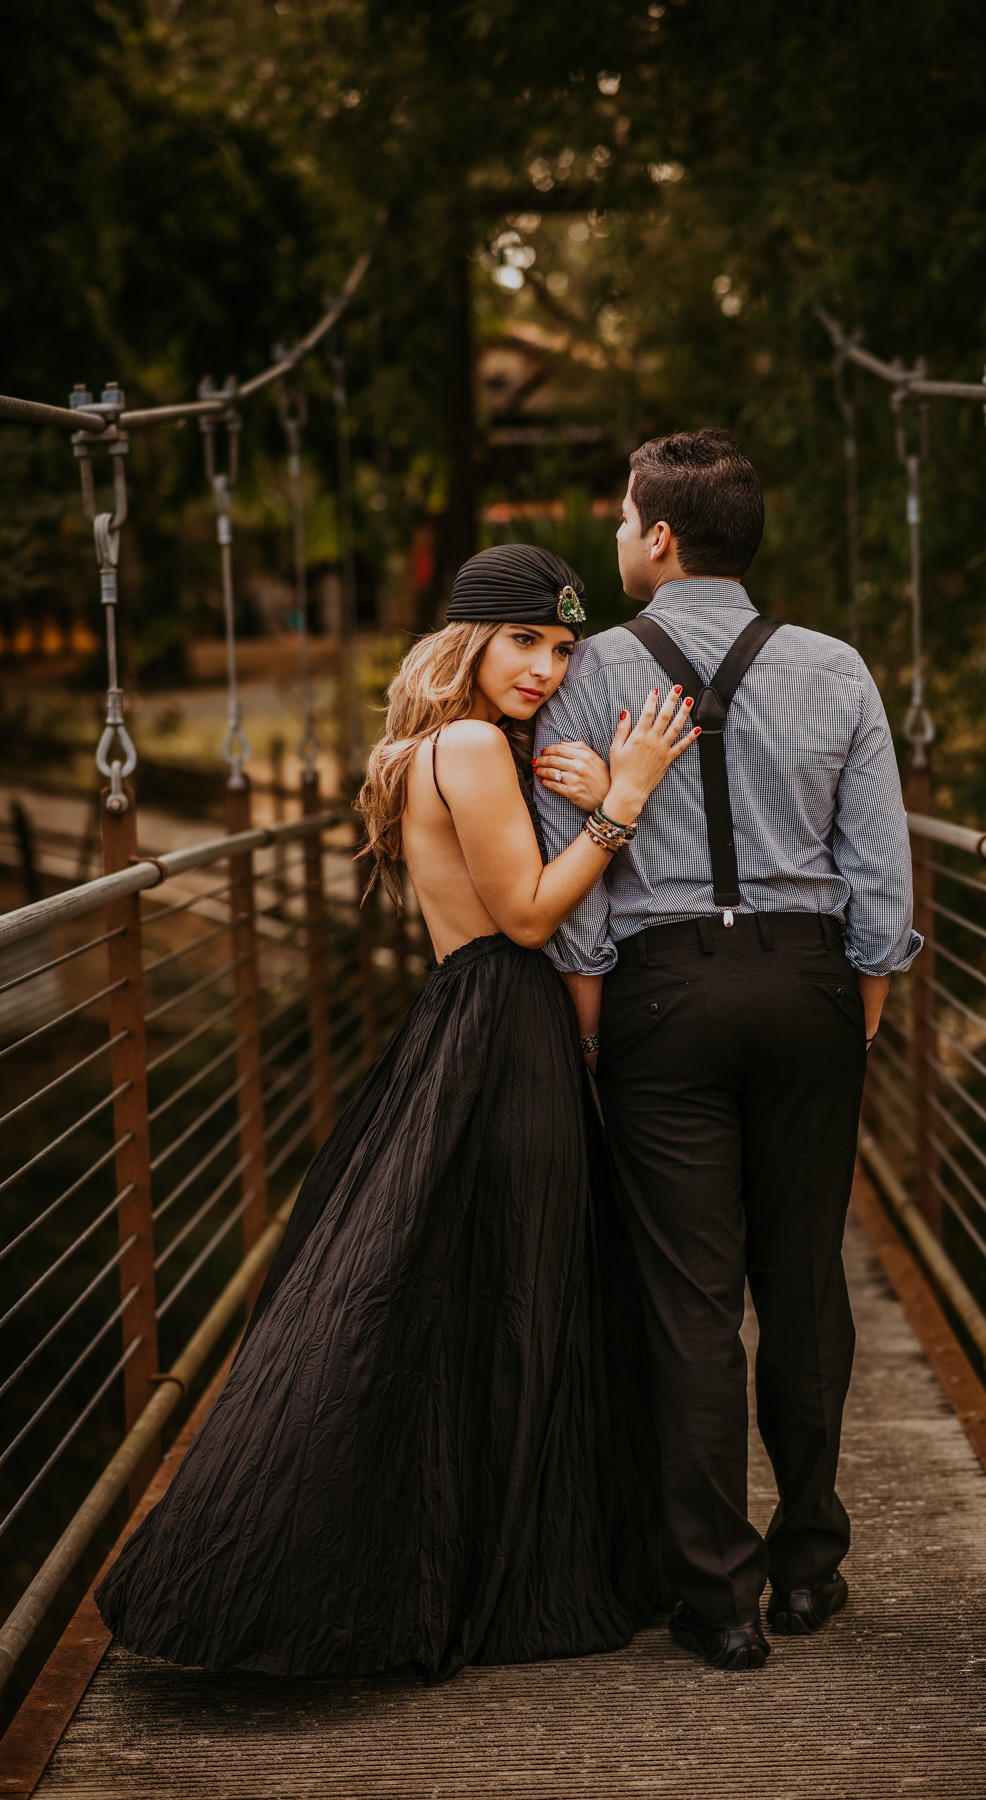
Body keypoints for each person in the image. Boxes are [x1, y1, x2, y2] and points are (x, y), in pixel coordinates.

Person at [96, 543, 697, 1685]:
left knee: (464, 1291)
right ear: (467, 638)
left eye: (562, 649)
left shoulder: (436, 747)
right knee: (520, 1289)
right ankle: (488, 1576)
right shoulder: (470, 744)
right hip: (501, 1022)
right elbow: (524, 917)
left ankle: (457, 1563)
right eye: (523, 639)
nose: (544, 666)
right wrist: (623, 800)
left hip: (469, 1024)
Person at [532, 430, 921, 1673]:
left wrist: (594, 1028)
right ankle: (812, 1565)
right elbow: (878, 872)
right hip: (809, 985)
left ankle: (721, 1598)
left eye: (620, 517)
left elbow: (577, 889)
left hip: (657, 994)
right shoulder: (836, 668)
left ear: (659, 539)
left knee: (689, 1301)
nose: (613, 535)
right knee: (803, 1282)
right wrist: (851, 1010)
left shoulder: (582, 672)